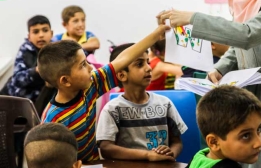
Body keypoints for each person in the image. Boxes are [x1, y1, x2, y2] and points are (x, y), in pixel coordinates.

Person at [158, 0, 261, 166]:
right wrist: (221, 68)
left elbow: (249, 34)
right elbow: (239, 44)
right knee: (247, 156)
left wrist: (193, 18)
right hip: (251, 92)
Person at [39, 25, 170, 162]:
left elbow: (122, 60)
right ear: (65, 80)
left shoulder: (90, 86)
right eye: (83, 65)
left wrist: (156, 34)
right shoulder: (53, 121)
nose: (91, 67)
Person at [96, 43, 187, 161]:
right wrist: (147, 155)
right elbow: (106, 149)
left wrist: (170, 155)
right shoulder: (112, 109)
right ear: (122, 75)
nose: (149, 68)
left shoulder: (165, 104)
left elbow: (177, 142)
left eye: (148, 62)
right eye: (140, 64)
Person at [186, 86, 261, 168]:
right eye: (246, 136)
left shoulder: (199, 157)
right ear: (214, 142)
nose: (259, 143)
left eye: (258, 129)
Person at [0, 15, 53, 102]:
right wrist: (36, 71)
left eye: (45, 30)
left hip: (40, 99)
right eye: (36, 32)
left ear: (51, 33)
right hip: (14, 99)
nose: (41, 35)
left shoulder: (56, 49)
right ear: (29, 37)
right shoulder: (25, 50)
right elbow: (17, 79)